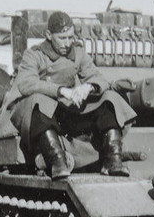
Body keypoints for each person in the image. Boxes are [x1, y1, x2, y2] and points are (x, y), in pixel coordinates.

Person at [10, 10, 137, 179]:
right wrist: (61, 91)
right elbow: (26, 83)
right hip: (43, 121)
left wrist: (89, 87)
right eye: (62, 38)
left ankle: (113, 159)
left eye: (70, 37)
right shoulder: (34, 55)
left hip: (69, 114)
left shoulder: (78, 53)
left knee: (109, 98)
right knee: (37, 101)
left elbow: (98, 77)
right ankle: (57, 160)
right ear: (49, 35)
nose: (67, 43)